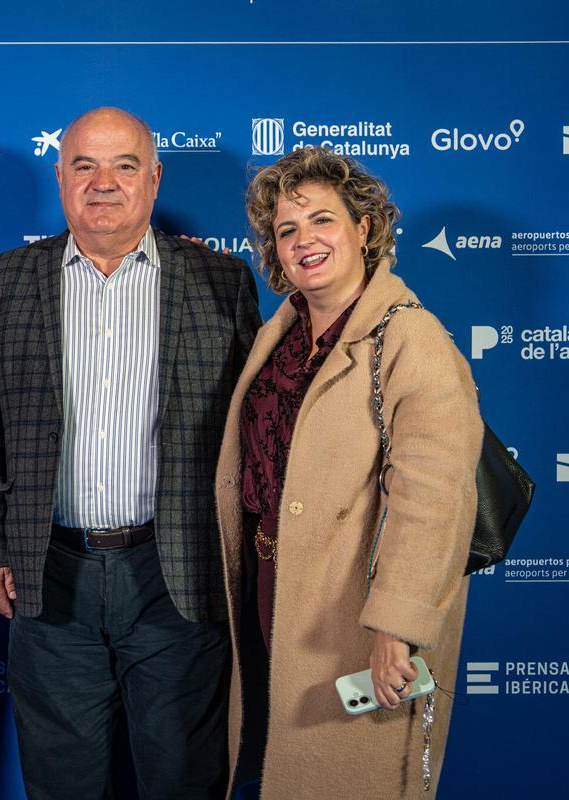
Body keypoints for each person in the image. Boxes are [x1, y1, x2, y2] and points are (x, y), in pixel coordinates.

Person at [0, 107, 262, 799]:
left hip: (177, 575)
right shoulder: (2, 283)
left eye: (125, 166)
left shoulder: (223, 282)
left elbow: (251, 436)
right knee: (61, 783)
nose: (104, 183)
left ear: (154, 180)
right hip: (48, 576)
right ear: (61, 176)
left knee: (184, 781)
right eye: (85, 166)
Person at [215, 147, 481, 799]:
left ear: (364, 227)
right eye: (287, 229)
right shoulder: (279, 334)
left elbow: (434, 497)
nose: (305, 240)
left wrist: (398, 626)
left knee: (342, 776)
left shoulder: (410, 339)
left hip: (353, 610)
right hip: (271, 590)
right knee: (271, 769)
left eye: (322, 221)